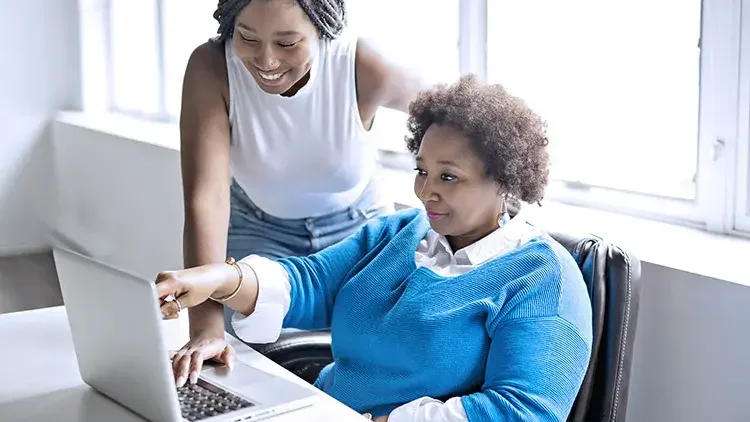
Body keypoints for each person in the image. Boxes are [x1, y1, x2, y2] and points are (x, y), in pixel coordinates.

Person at [157, 75, 594, 421]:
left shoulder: (543, 280)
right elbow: (311, 282)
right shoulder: (401, 231)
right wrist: (216, 278)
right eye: (421, 170)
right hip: (323, 410)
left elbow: (522, 411)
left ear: (503, 180)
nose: (426, 191)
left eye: (448, 176)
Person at [177, 0, 423, 376]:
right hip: (259, 229)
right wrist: (205, 329)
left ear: (324, 31)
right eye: (247, 37)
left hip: (357, 231)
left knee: (371, 363)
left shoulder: (365, 65)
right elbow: (206, 199)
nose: (267, 61)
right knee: (250, 365)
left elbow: (459, 117)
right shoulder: (211, 68)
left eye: (287, 43)